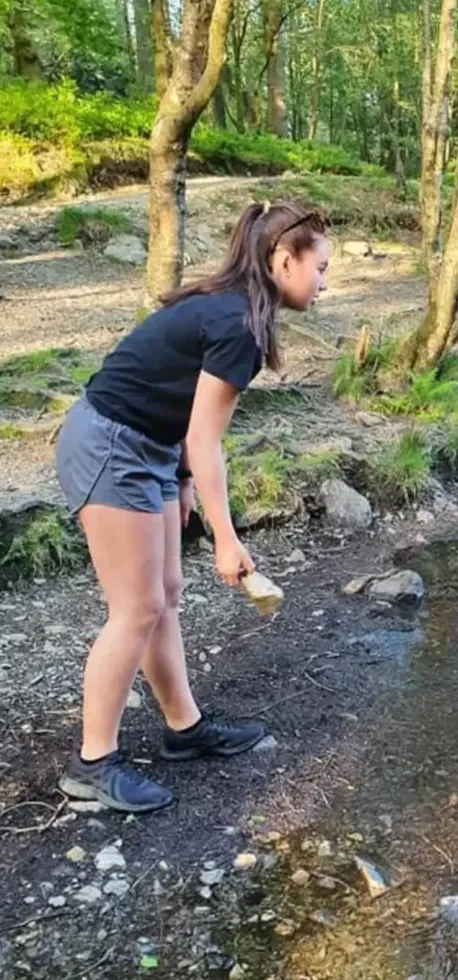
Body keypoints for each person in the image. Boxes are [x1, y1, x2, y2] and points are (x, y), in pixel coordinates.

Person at [53, 201, 329, 813]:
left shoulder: (234, 312)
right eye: (320, 267)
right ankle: (91, 764)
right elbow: (206, 439)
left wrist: (178, 484)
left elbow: (183, 415)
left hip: (148, 446)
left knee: (167, 591)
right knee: (137, 607)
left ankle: (185, 729)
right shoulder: (237, 326)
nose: (324, 281)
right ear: (284, 260)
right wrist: (226, 539)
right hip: (109, 443)